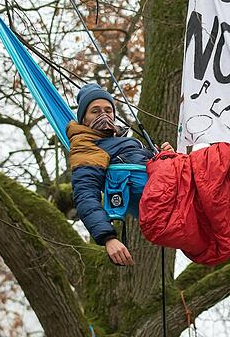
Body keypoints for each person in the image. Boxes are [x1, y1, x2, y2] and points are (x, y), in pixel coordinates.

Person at [66, 84, 173, 266]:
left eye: (108, 110)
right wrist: (108, 237)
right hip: (160, 198)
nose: (104, 115)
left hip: (173, 186)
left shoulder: (125, 141)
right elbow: (85, 195)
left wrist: (168, 156)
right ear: (83, 118)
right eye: (95, 111)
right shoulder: (87, 146)